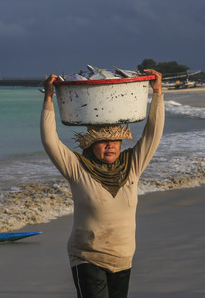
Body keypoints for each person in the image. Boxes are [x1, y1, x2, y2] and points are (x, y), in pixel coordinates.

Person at [40, 70, 164, 298]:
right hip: (87, 257)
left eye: (114, 140)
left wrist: (157, 93)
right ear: (91, 144)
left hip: (123, 259)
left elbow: (152, 135)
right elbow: (50, 141)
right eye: (103, 141)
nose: (110, 146)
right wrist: (48, 98)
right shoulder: (78, 168)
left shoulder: (132, 165)